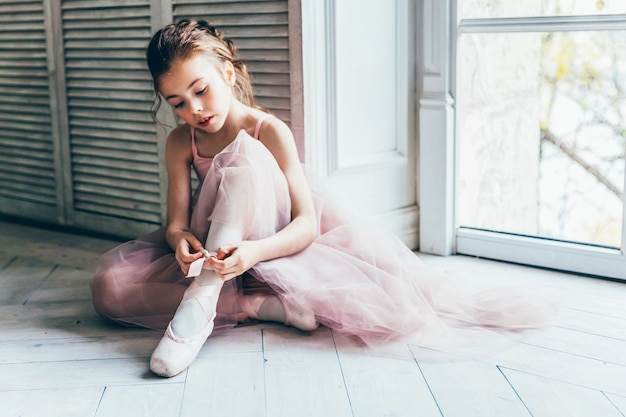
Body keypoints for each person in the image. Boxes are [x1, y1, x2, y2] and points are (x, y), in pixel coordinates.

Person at [91, 19, 557, 378]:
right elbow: (175, 221)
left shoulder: (266, 131)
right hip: (215, 250)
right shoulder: (180, 142)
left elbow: (306, 223)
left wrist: (252, 251)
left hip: (265, 247)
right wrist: (180, 240)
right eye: (176, 102)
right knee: (109, 287)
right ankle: (255, 305)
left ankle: (200, 305)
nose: (193, 110)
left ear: (227, 74)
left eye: (200, 90)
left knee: (245, 158)